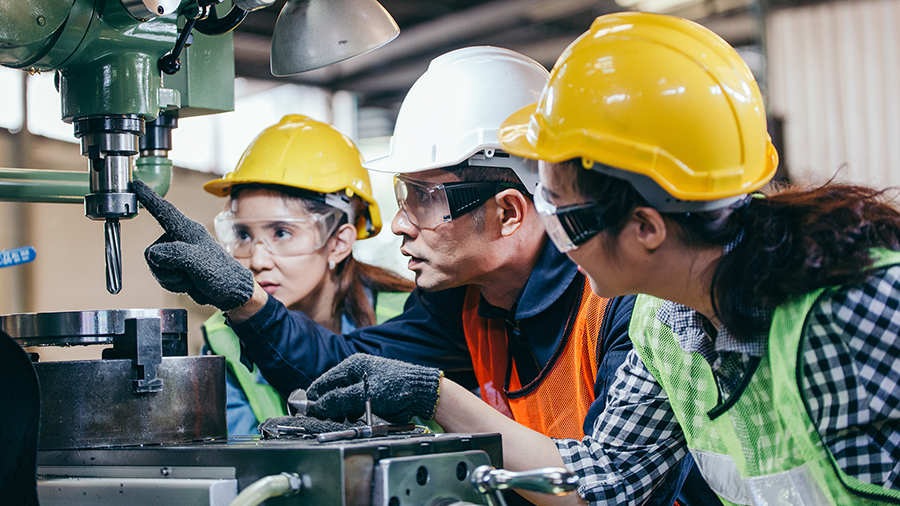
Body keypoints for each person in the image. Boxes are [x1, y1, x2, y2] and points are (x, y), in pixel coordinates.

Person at [132, 46, 695, 506]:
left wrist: (435, 395)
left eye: (422, 197)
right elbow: (343, 370)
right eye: (404, 194)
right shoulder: (465, 302)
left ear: (507, 212)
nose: (399, 223)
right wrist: (243, 297)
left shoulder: (625, 306)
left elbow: (608, 488)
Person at [494, 11, 900, 505]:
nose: (556, 241)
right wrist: (436, 395)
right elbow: (607, 479)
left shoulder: (853, 308)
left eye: (565, 216)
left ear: (646, 227)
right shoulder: (664, 325)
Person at [201, 115, 414, 435]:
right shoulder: (224, 337)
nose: (257, 260)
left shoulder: (407, 317)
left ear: (339, 242)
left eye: (282, 233)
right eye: (243, 235)